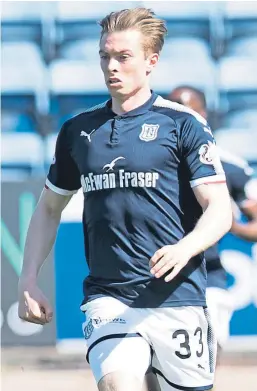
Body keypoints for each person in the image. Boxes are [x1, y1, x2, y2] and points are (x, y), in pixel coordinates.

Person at [18, 8, 232, 391]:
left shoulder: (183, 123)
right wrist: (28, 279)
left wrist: (186, 248)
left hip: (178, 298)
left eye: (123, 57)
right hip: (109, 298)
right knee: (118, 385)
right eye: (105, 56)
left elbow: (218, 210)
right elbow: (49, 208)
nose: (111, 66)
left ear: (151, 62)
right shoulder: (77, 131)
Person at [167, 85, 257, 351]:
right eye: (174, 111)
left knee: (206, 355)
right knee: (154, 361)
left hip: (208, 276)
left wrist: (230, 223)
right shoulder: (147, 161)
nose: (181, 118)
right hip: (157, 272)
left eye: (188, 111)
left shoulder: (229, 167)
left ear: (203, 115)